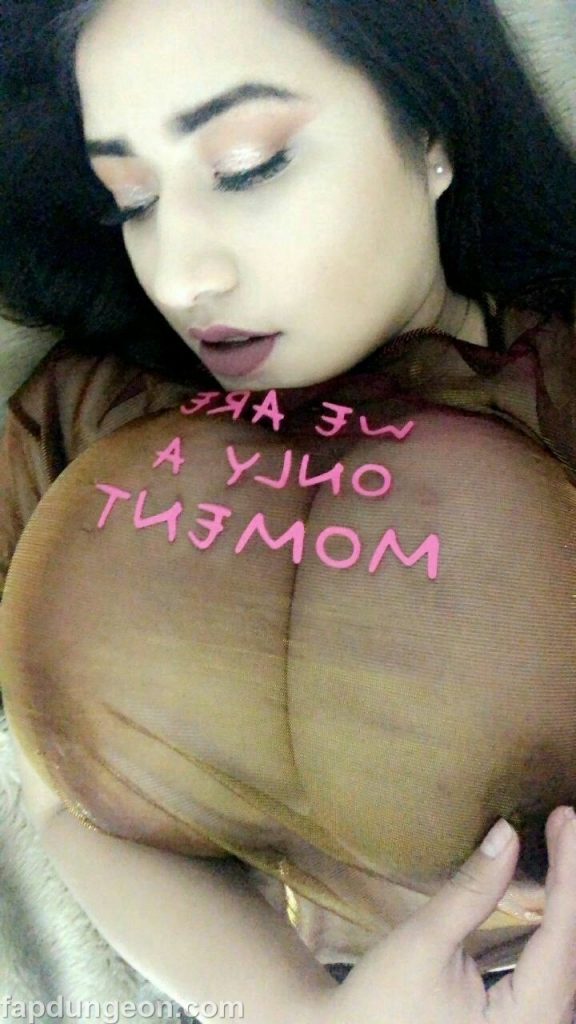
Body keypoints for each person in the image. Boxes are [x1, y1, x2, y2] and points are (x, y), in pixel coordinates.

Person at [0, 0, 576, 1021]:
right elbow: (73, 800)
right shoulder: (85, 424)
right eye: (130, 199)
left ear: (431, 132)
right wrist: (301, 1013)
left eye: (249, 165)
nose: (185, 275)